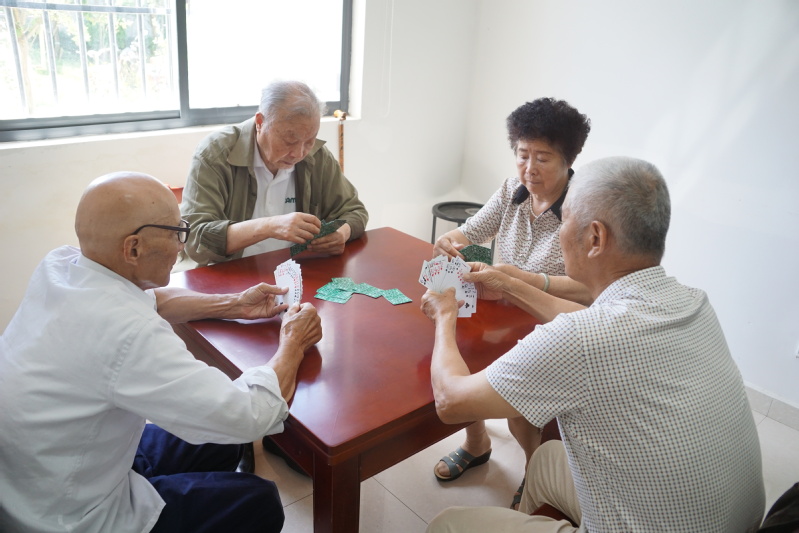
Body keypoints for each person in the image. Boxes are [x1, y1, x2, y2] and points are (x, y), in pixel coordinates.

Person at [422, 157, 765, 532]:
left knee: (447, 524)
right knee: (545, 460)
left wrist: (445, 314)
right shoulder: (693, 301)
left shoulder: (580, 339)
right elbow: (588, 321)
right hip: (735, 522)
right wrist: (509, 285)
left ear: (595, 238)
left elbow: (451, 402)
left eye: (565, 220)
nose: (560, 232)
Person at [0, 172, 323, 533]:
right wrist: (293, 342)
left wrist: (235, 304)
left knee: (221, 444)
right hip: (69, 515)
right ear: (133, 248)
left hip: (41, 471)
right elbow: (248, 414)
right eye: (176, 232)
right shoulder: (126, 331)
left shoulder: (62, 266)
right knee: (259, 501)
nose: (181, 246)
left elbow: (153, 301)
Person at [431, 98, 592, 506]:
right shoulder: (510, 191)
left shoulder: (584, 207)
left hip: (552, 321)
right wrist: (449, 242)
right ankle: (477, 442)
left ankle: (537, 473)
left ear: (569, 160)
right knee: (463, 353)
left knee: (520, 411)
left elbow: (589, 288)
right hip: (502, 309)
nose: (529, 168)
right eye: (522, 155)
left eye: (543, 158)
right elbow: (470, 231)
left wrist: (526, 281)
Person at [181, 80, 368, 266]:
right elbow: (195, 238)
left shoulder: (316, 157)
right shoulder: (215, 154)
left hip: (295, 271)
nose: (299, 153)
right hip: (228, 273)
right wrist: (270, 226)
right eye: (289, 140)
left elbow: (354, 211)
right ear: (260, 123)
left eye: (309, 141)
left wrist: (342, 233)